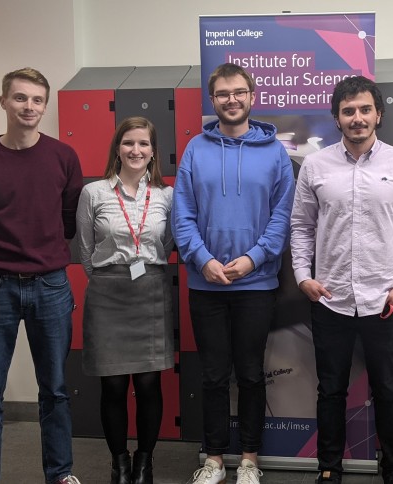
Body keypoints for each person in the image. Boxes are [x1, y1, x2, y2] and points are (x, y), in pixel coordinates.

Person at [290, 75, 393, 484]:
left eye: (365, 109)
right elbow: (301, 226)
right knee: (331, 389)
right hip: (329, 297)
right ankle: (329, 468)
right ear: (337, 118)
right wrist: (302, 276)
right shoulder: (315, 165)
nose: (357, 118)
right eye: (348, 111)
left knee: (387, 388)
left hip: (383, 299)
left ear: (378, 114)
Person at [172, 63, 295, 484]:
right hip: (206, 284)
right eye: (223, 93)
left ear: (251, 96)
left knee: (250, 374)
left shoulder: (275, 152)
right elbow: (183, 213)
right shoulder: (195, 149)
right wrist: (202, 259)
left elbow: (282, 216)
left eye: (239, 92)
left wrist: (254, 258)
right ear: (213, 100)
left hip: (256, 284)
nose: (231, 99)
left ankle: (249, 460)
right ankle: (213, 460)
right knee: (212, 376)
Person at [0, 67, 83, 484]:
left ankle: (59, 474)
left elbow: (68, 221)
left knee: (55, 389)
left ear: (44, 106)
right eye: (20, 98)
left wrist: (40, 255)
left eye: (36, 100)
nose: (29, 106)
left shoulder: (63, 157)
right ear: (3, 102)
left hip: (50, 286)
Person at [76, 116, 174, 484]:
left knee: (148, 384)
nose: (136, 150)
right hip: (107, 293)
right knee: (113, 385)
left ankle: (144, 463)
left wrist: (142, 268)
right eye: (128, 143)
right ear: (117, 149)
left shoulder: (166, 195)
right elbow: (85, 250)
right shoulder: (94, 193)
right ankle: (119, 463)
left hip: (150, 291)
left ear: (153, 151)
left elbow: (168, 243)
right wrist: (111, 276)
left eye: (143, 143)